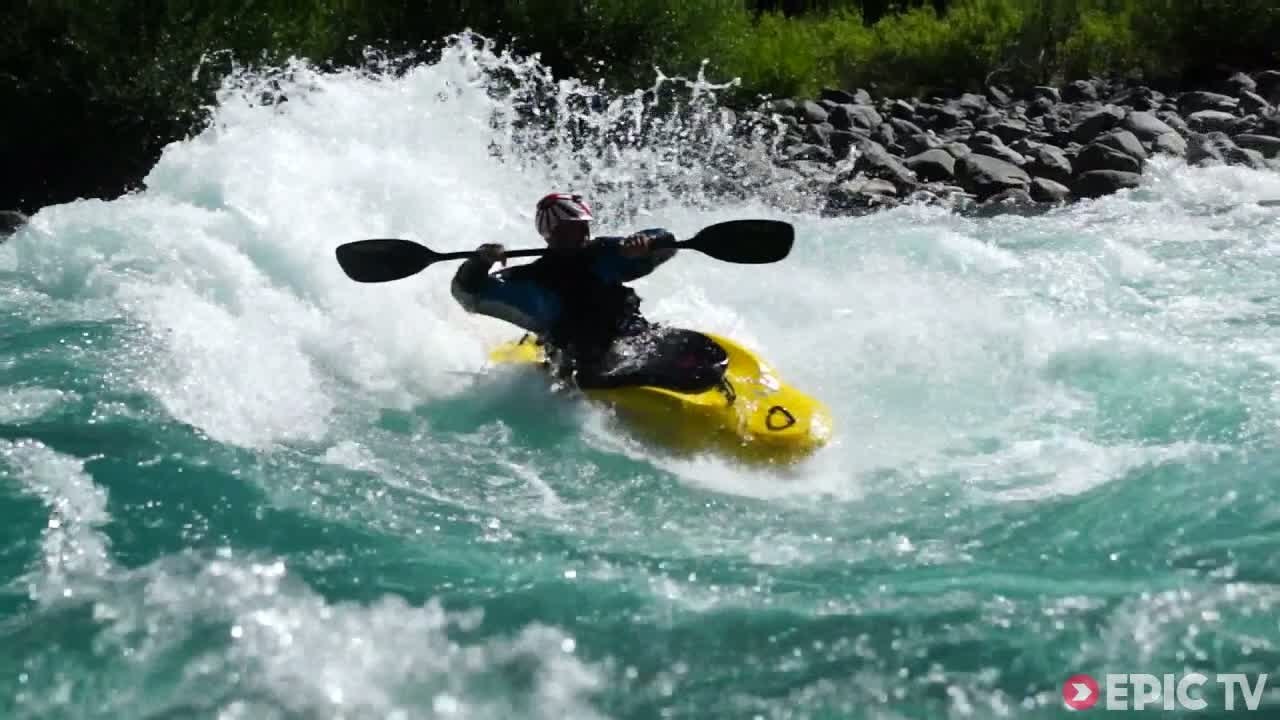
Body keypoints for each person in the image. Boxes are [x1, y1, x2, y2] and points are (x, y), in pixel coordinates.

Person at [451, 192, 683, 387]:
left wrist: (646, 242)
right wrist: (479, 262)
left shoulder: (605, 252)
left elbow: (667, 244)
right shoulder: (529, 280)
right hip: (579, 365)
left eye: (582, 227)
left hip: (634, 338)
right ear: (551, 235)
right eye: (569, 230)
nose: (580, 235)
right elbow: (467, 293)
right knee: (589, 353)